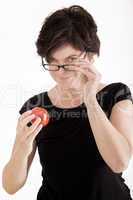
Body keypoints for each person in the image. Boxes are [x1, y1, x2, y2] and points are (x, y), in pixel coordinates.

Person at [2, 5, 133, 200]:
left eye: (71, 60)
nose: (60, 71)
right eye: (52, 62)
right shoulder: (36, 106)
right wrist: (22, 145)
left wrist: (90, 101)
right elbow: (11, 186)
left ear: (90, 56)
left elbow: (119, 162)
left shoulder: (116, 95)